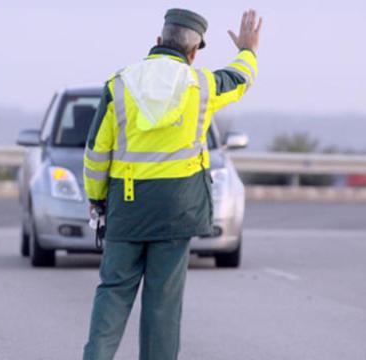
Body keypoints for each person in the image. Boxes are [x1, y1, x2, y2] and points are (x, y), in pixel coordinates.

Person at [82, 8, 262, 360]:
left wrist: (97, 199)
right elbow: (240, 78)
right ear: (193, 53)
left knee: (114, 292)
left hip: (127, 208)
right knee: (163, 302)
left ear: (158, 41)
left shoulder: (119, 85)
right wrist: (248, 50)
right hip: (177, 211)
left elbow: (96, 153)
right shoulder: (203, 86)